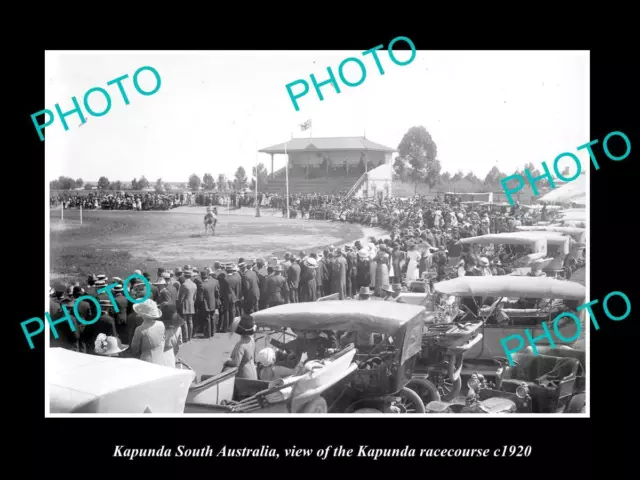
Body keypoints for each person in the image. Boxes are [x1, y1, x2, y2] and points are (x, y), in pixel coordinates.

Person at [130, 299, 166, 366]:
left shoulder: (140, 329)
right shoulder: (161, 324)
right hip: (160, 357)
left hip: (146, 360)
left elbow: (135, 348)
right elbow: (163, 340)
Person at [224, 315, 258, 380]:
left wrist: (227, 362)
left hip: (244, 375)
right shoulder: (251, 339)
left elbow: (236, 363)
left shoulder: (241, 345)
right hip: (252, 371)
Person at [160, 304, 184, 368]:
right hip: (170, 355)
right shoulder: (178, 328)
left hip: (158, 356)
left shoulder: (158, 328)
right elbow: (178, 346)